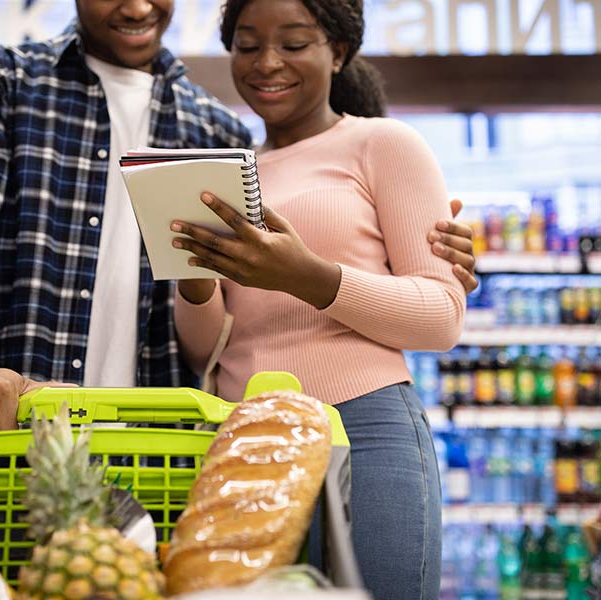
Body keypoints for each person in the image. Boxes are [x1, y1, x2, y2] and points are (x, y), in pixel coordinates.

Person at [0, 0, 478, 433]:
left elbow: (222, 325)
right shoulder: (2, 84)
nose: (137, 7)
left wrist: (422, 246)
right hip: (10, 418)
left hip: (162, 440)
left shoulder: (216, 134)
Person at [171, 0, 464, 598]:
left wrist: (308, 277)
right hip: (244, 435)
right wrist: (194, 278)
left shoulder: (384, 144)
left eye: (294, 43)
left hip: (364, 426)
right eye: (248, 45)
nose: (267, 63)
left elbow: (440, 316)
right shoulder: (229, 173)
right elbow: (207, 350)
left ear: (339, 51)